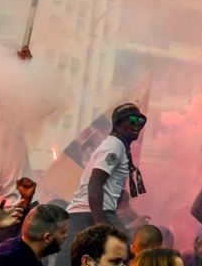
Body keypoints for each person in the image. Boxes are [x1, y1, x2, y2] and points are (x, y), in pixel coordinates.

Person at [63, 104, 147, 261]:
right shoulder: (114, 146)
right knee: (125, 253)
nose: (138, 124)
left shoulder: (116, 145)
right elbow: (95, 183)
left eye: (141, 120)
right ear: (118, 123)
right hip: (91, 213)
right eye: (132, 119)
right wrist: (100, 224)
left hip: (86, 214)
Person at [0, 204, 69, 266]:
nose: (66, 236)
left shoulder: (19, 251)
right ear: (47, 238)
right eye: (63, 232)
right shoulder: (9, 258)